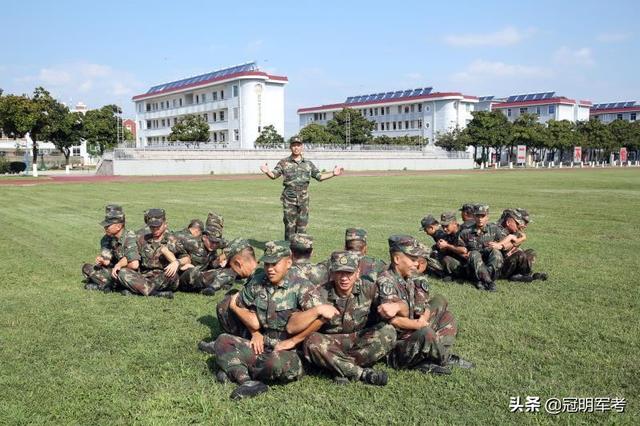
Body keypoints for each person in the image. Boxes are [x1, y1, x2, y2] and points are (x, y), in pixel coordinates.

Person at [211, 241, 321, 400]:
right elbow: (241, 305)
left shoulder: (301, 285)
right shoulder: (258, 280)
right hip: (262, 344)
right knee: (222, 341)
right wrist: (255, 332)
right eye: (267, 263)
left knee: (274, 364)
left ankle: (234, 368)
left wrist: (294, 341)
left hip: (288, 352)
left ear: (288, 262)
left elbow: (322, 316)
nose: (270, 268)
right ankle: (247, 382)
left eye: (275, 263)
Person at [296, 251, 400, 386]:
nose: (344, 278)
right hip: (330, 342)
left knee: (388, 331)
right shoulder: (319, 293)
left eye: (349, 273)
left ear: (357, 273)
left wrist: (396, 306)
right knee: (312, 341)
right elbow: (299, 321)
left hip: (359, 339)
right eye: (339, 273)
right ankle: (361, 373)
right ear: (332, 273)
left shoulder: (368, 288)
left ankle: (338, 367)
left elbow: (395, 304)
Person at [377, 235, 473, 374]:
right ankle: (444, 358)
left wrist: (423, 317)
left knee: (446, 316)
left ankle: (429, 355)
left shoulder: (407, 277)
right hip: (397, 346)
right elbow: (394, 320)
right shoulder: (386, 281)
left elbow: (422, 305)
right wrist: (419, 325)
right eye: (412, 259)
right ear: (397, 259)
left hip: (412, 331)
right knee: (426, 332)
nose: (417, 264)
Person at [260, 135, 343, 240]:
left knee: (302, 226)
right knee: (289, 226)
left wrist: (333, 173)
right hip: (289, 198)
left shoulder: (308, 164)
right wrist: (267, 171)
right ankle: (289, 251)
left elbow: (320, 176)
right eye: (294, 145)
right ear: (290, 147)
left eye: (298, 145)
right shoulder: (283, 162)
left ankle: (301, 252)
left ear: (302, 147)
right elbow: (274, 175)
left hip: (303, 198)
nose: (296, 147)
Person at [117, 208, 183, 298]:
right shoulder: (142, 239)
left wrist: (177, 262)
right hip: (145, 277)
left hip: (163, 276)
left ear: (165, 225)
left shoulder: (173, 240)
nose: (155, 230)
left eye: (158, 227)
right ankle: (154, 293)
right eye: (152, 227)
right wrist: (119, 264)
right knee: (123, 272)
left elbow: (186, 258)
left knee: (173, 276)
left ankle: (138, 290)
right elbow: (132, 256)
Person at [82, 205, 139, 292]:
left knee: (123, 274)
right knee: (87, 267)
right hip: (113, 271)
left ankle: (107, 285)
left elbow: (134, 265)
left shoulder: (129, 237)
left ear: (118, 227)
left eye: (108, 226)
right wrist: (103, 261)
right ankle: (112, 286)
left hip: (128, 273)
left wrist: (119, 266)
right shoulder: (108, 238)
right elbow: (108, 261)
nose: (105, 228)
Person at [456, 204, 507, 291]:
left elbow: (506, 242)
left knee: (496, 252)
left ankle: (481, 280)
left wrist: (500, 245)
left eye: (482, 216)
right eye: (477, 216)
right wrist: (465, 254)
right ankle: (489, 282)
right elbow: (460, 249)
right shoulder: (465, 232)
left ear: (487, 217)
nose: (480, 219)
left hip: (490, 264)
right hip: (473, 266)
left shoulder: (494, 229)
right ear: (474, 217)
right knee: (474, 253)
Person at [497, 209, 547, 283]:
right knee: (520, 255)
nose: (524, 226)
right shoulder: (498, 230)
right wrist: (520, 240)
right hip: (500, 266)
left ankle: (518, 275)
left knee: (530, 252)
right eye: (520, 223)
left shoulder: (514, 231)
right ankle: (527, 275)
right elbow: (502, 248)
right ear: (509, 222)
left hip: (507, 260)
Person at [434, 212, 468, 280]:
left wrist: (447, 246)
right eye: (443, 226)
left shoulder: (463, 232)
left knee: (446, 258)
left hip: (467, 265)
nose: (444, 229)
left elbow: (464, 250)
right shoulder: (449, 234)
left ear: (454, 223)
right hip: (458, 261)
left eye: (446, 226)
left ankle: (457, 276)